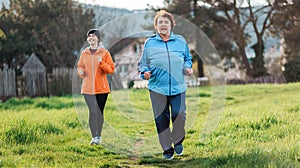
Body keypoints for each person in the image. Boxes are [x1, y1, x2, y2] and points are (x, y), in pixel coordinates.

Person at [138, 10, 193, 160]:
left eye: (166, 22)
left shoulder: (180, 41)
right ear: (156, 26)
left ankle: (178, 140)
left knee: (179, 114)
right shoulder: (150, 43)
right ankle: (167, 150)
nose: (163, 25)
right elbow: (143, 65)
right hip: (157, 89)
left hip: (178, 87)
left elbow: (188, 58)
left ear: (171, 25)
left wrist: (188, 67)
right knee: (161, 119)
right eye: (160, 22)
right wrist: (145, 73)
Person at [77, 29, 115, 145]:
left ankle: (99, 135)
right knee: (92, 112)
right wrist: (81, 72)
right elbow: (80, 67)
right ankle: (94, 137)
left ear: (98, 39)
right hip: (87, 88)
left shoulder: (104, 53)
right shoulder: (84, 53)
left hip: (101, 89)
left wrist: (101, 63)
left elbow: (111, 69)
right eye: (89, 36)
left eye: (93, 36)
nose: (91, 38)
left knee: (99, 112)